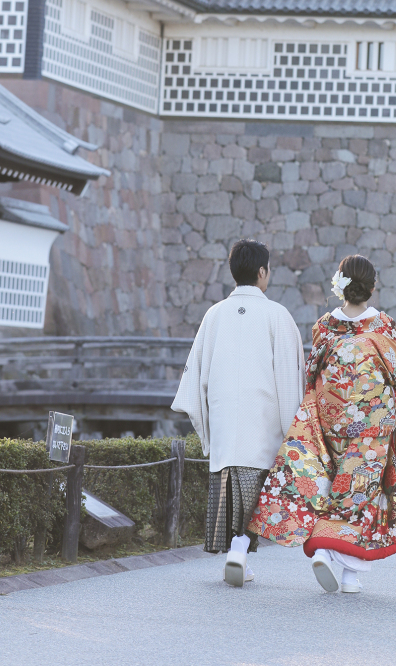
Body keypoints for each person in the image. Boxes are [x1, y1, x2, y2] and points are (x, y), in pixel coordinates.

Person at [249, 253, 396, 594]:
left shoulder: (326, 324)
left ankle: (327, 550)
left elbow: (312, 370)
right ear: (372, 287)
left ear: (340, 284)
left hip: (331, 414)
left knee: (329, 481)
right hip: (371, 419)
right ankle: (346, 572)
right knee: (360, 491)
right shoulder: (383, 325)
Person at [171, 238, 305, 587]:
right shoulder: (278, 315)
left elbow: (195, 377)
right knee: (254, 500)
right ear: (262, 272)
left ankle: (237, 553)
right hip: (262, 427)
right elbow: (290, 378)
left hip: (225, 426)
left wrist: (208, 426)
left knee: (230, 494)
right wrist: (293, 433)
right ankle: (241, 550)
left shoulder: (213, 315)